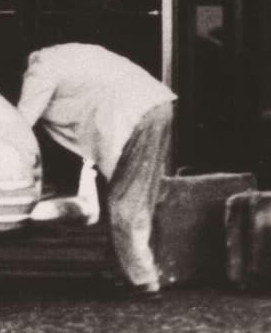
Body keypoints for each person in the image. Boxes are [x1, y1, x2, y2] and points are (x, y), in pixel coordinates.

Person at [16, 41, 177, 297]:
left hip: (132, 116)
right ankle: (123, 270)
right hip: (157, 104)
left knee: (126, 200)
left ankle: (144, 280)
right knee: (138, 195)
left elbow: (24, 120)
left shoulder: (41, 69)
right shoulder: (73, 53)